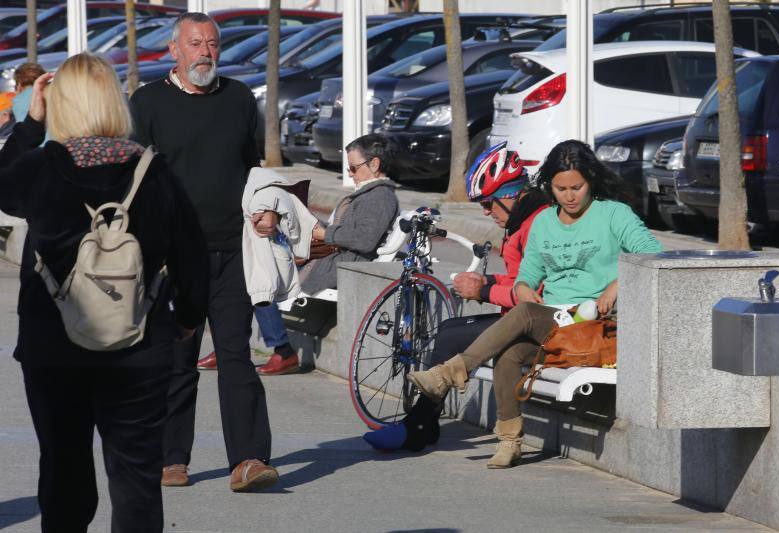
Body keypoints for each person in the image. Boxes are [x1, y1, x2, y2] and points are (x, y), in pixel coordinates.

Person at [0, 53, 208, 532]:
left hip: (53, 346)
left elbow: (3, 191)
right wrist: (186, 319)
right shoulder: (153, 172)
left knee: (63, 468)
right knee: (135, 478)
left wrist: (31, 126)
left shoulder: (42, 168)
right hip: (140, 346)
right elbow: (191, 254)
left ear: (61, 106)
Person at [407, 140, 663, 468]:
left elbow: (654, 253)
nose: (569, 196)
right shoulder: (544, 223)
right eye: (560, 189)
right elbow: (527, 274)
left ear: (591, 181)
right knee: (510, 355)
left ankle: (450, 373)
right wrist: (525, 286)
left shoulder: (613, 214)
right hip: (555, 324)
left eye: (577, 187)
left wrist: (616, 285)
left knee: (525, 313)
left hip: (593, 324)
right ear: (549, 186)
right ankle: (510, 440)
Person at [130, 12, 278, 492]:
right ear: (174, 50)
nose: (205, 53)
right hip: (173, 258)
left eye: (212, 44)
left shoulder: (238, 99)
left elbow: (250, 167)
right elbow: (135, 178)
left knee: (236, 354)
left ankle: (249, 460)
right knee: (177, 359)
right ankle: (172, 458)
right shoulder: (148, 102)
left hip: (233, 250)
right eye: (195, 44)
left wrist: (264, 209)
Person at [362, 142, 549, 452]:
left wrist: (485, 290)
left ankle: (418, 428)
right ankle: (423, 423)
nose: (486, 213)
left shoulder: (535, 226)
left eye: (488, 204)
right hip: (519, 320)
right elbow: (521, 282)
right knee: (450, 330)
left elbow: (534, 297)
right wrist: (488, 280)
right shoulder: (522, 220)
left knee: (451, 337)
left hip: (535, 326)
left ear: (510, 194)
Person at [198, 133, 401, 376]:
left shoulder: (379, 197)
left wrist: (323, 233)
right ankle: (232, 348)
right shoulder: (371, 194)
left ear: (375, 164)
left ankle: (280, 351)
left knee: (258, 273)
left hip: (337, 266)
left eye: (354, 168)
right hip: (330, 259)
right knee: (254, 267)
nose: (350, 173)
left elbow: (364, 239)